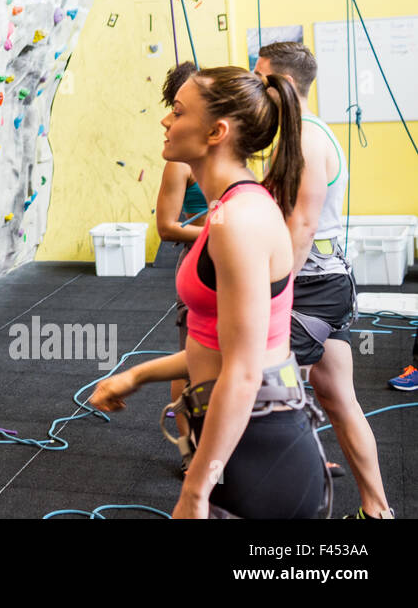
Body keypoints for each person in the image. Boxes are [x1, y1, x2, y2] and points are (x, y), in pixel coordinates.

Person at [91, 66, 330, 518]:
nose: (166, 121)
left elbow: (242, 372)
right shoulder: (226, 211)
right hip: (240, 435)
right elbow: (218, 347)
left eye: (178, 112)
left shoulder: (238, 221)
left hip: (258, 444)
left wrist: (194, 492)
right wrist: (138, 376)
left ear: (216, 131)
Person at [255, 41, 393, 518]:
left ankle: (291, 498)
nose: (257, 86)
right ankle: (377, 510)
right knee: (337, 397)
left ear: (284, 85)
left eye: (262, 78)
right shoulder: (297, 137)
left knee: (262, 394)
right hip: (324, 283)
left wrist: (273, 294)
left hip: (311, 288)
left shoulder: (308, 140)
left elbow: (303, 226)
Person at [153, 61, 207, 459]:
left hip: (230, 259)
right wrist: (216, 232)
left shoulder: (226, 151)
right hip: (199, 261)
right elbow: (167, 227)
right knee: (189, 359)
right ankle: (189, 450)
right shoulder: (179, 162)